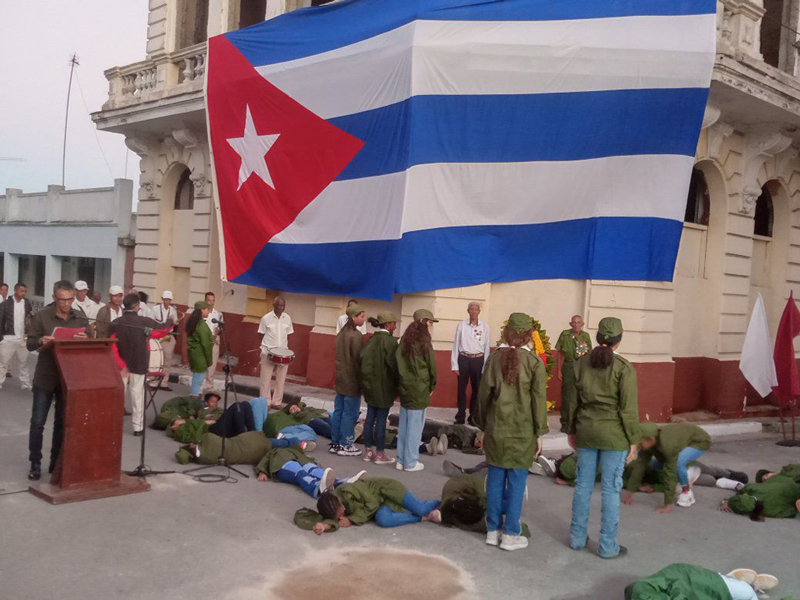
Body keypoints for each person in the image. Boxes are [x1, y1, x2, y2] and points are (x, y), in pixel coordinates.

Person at [475, 312, 548, 551]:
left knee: (495, 480)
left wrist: (482, 427)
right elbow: (538, 401)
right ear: (529, 335)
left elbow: (483, 396)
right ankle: (510, 533)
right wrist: (539, 432)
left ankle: (492, 530)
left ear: (506, 333)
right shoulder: (535, 363)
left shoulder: (494, 360)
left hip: (496, 428)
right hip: (523, 432)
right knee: (516, 483)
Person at [568, 317, 639, 559]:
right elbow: (628, 409)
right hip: (614, 436)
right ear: (619, 340)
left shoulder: (579, 364)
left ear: (598, 337)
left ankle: (577, 539)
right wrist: (633, 439)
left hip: (586, 431)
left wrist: (570, 430)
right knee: (610, 490)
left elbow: (570, 402)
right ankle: (608, 547)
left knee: (583, 486)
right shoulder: (624, 368)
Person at [26, 280, 90, 480]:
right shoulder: (42, 316)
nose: (66, 304)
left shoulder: (79, 317)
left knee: (62, 422)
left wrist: (85, 341)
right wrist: (42, 342)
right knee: (38, 422)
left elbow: (90, 340)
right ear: (54, 298)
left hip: (68, 377)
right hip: (45, 377)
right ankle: (35, 463)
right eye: (62, 300)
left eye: (70, 299)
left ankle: (56, 463)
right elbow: (30, 344)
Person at [110, 293, 172, 435]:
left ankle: (114, 426)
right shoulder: (144, 322)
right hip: (139, 364)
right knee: (138, 396)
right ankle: (138, 428)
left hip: (121, 366)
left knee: (119, 397)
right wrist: (170, 321)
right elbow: (162, 331)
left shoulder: (116, 323)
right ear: (137, 307)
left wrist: (121, 364)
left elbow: (112, 347)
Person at [623, 422, 712, 511]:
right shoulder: (648, 446)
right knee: (658, 465)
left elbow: (670, 473)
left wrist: (667, 505)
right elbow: (639, 467)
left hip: (700, 441)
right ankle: (689, 472)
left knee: (678, 464)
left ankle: (686, 491)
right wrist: (630, 492)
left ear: (650, 439)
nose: (637, 446)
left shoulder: (667, 445)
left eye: (639, 443)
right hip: (682, 450)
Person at [312, 478, 441, 534]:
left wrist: (351, 519)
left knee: (421, 509)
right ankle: (423, 518)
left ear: (339, 504)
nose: (341, 517)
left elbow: (372, 504)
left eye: (340, 514)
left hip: (388, 491)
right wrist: (323, 526)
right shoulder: (333, 506)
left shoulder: (348, 490)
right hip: (382, 504)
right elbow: (333, 518)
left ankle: (442, 504)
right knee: (383, 520)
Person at [395, 309, 438, 472]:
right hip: (420, 387)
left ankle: (400, 460)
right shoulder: (425, 341)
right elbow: (431, 365)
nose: (431, 325)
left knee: (404, 424)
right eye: (430, 322)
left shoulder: (405, 339)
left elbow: (396, 362)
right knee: (415, 426)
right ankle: (411, 462)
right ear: (423, 322)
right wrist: (432, 385)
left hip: (405, 385)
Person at [360, 312, 399, 465]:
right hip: (385, 387)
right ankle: (380, 453)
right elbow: (394, 366)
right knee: (381, 420)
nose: (395, 326)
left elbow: (362, 360)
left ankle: (368, 451)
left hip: (370, 385)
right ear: (388, 324)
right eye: (394, 323)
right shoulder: (390, 342)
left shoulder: (371, 340)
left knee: (370, 418)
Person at [330, 303, 366, 457]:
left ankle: (336, 442)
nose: (364, 319)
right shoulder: (356, 336)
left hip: (340, 377)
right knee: (349, 413)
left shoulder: (341, 334)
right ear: (354, 317)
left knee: (338, 411)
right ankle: (346, 444)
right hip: (352, 379)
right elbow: (359, 360)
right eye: (362, 316)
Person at [625, 564, 777, 600]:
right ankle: (742, 583)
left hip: (730, 590)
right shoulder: (645, 588)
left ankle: (750, 586)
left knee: (747, 594)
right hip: (710, 581)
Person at [451, 302, 491, 426]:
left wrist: (485, 366)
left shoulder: (485, 327)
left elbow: (487, 347)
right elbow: (456, 345)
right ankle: (460, 416)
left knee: (477, 389)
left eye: (476, 309)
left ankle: (473, 417)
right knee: (461, 389)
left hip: (478, 360)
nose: (474, 311)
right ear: (468, 311)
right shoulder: (461, 325)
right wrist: (455, 365)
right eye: (471, 309)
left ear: (479, 311)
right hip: (463, 358)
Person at [719, 464, 800, 520]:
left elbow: (790, 512)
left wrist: (727, 501)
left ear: (772, 472)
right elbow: (790, 511)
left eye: (766, 476)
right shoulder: (758, 488)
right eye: (764, 480)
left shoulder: (786, 471)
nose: (765, 479)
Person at [175, 430, 302, 465]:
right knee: (275, 443)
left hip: (247, 451)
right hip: (250, 444)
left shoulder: (203, 459)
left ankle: (289, 443)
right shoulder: (207, 440)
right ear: (191, 447)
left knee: (272, 446)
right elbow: (211, 436)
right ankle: (296, 442)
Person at [555, 315, 592, 434]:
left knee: (579, 395)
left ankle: (576, 423)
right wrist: (559, 370)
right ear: (571, 324)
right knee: (567, 395)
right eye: (574, 322)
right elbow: (560, 353)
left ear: (582, 324)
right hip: (568, 366)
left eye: (579, 322)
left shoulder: (585, 336)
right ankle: (565, 423)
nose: (576, 325)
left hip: (581, 367)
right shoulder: (565, 335)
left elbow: (588, 354)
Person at [258, 296, 294, 407]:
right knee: (265, 379)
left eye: (283, 306)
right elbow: (260, 335)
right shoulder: (266, 318)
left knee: (281, 380)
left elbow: (289, 335)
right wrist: (267, 348)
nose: (282, 308)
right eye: (279, 305)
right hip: (268, 352)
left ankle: (277, 402)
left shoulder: (287, 318)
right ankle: (265, 402)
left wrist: (285, 349)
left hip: (283, 353)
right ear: (274, 305)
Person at [0, 282, 33, 390]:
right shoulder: (5, 304)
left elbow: (29, 318)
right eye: (21, 291)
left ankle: (25, 383)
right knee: (3, 362)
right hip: (8, 337)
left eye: (25, 291)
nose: (23, 293)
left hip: (23, 337)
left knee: (24, 362)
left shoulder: (26, 303)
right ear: (15, 290)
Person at [186, 300, 213, 399]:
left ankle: (194, 398)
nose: (208, 312)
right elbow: (206, 345)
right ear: (202, 310)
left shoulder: (193, 322)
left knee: (196, 378)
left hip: (193, 354)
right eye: (207, 309)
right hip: (200, 355)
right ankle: (194, 400)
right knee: (198, 380)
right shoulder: (201, 325)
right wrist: (209, 360)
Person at [152, 290, 179, 370]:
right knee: (156, 358)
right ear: (162, 299)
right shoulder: (155, 309)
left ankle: (164, 380)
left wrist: (176, 318)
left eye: (169, 300)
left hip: (168, 335)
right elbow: (151, 321)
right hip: (157, 335)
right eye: (166, 299)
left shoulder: (173, 310)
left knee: (167, 359)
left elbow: (175, 322)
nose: (167, 301)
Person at [202, 291, 222, 394]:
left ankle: (210, 386)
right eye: (209, 300)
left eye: (213, 300)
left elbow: (220, 327)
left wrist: (218, 331)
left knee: (212, 365)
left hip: (214, 340)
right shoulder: (201, 312)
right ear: (205, 301)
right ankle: (200, 387)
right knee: (202, 364)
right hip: (203, 341)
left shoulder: (218, 314)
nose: (211, 302)